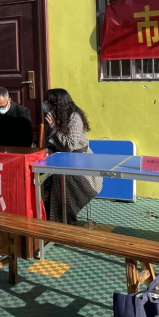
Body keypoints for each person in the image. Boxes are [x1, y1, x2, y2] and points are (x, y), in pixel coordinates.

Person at [43, 88, 102, 226]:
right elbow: (49, 140)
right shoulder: (53, 117)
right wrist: (49, 149)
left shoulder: (75, 117)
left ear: (57, 103)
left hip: (79, 161)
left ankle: (66, 221)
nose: (45, 104)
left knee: (62, 182)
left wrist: (55, 128)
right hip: (59, 159)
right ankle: (50, 219)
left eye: (48, 102)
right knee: (41, 178)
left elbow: (70, 145)